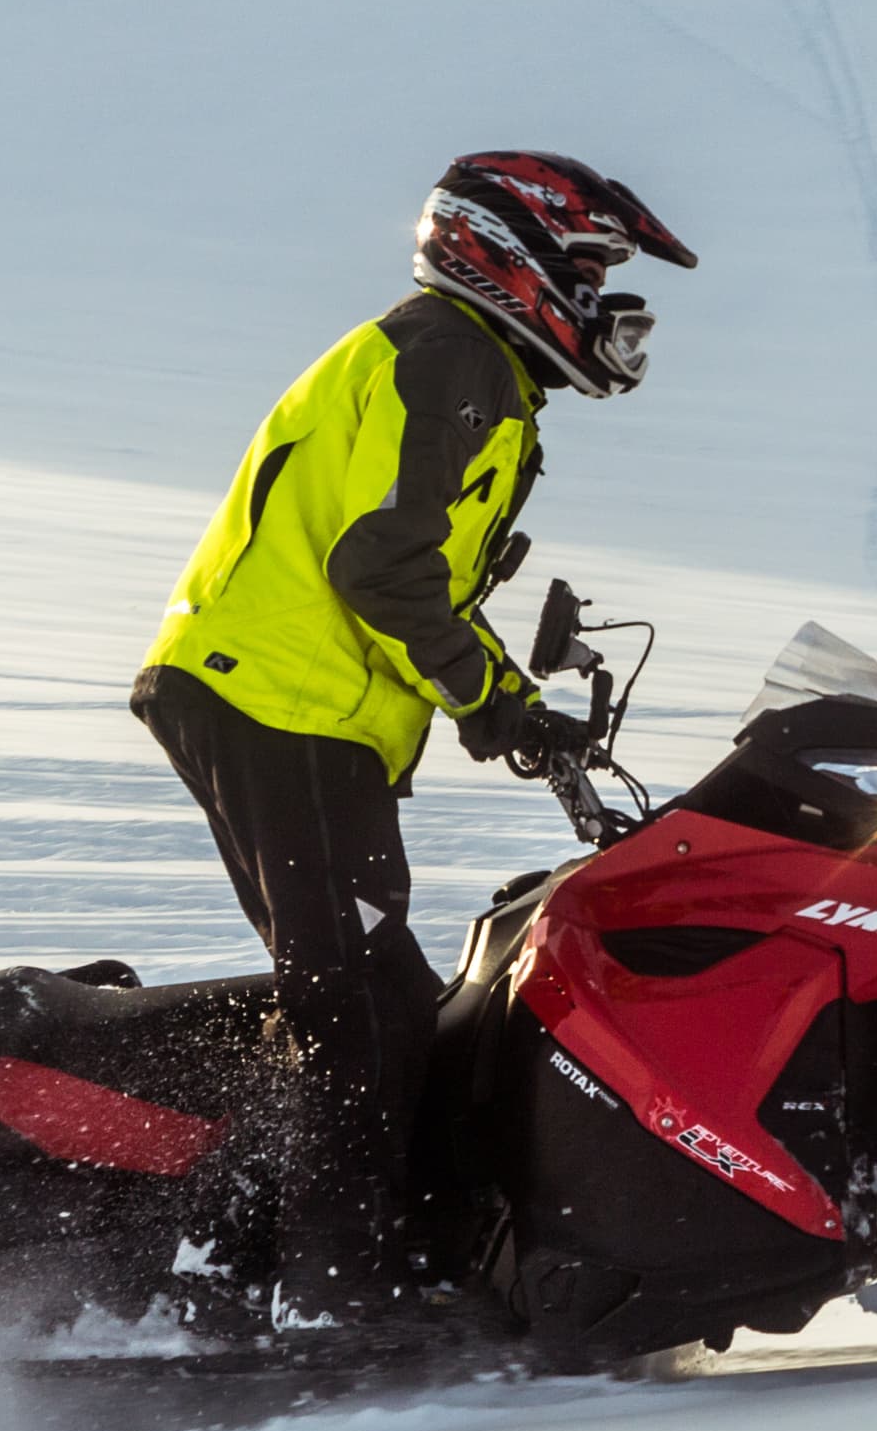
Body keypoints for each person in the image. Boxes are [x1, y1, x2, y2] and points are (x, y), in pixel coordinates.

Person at [130, 152, 696, 1327]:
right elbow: (384, 570)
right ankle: (331, 1299)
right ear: (516, 255)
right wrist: (493, 700)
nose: (603, 299)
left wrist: (509, 699)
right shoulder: (448, 360)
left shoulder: (466, 368)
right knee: (360, 1000)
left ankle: (306, 1252)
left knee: (377, 989)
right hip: (275, 700)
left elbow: (403, 569)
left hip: (295, 705)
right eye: (588, 267)